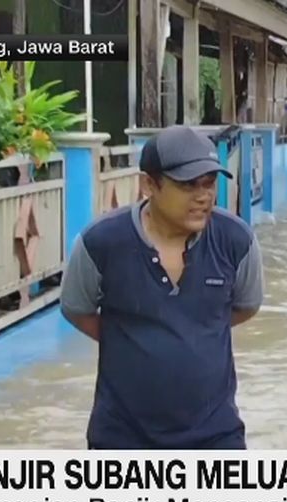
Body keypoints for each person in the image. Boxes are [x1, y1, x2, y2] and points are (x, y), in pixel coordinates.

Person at [60, 125, 264, 450]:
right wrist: (132, 339)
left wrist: (192, 331)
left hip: (216, 436)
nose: (203, 196)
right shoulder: (101, 242)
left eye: (209, 183)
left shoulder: (236, 241)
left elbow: (247, 305)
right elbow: (76, 309)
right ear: (149, 185)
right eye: (187, 184)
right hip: (122, 438)